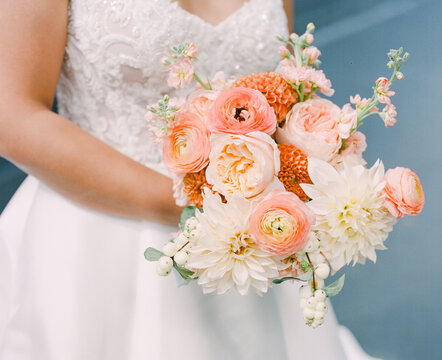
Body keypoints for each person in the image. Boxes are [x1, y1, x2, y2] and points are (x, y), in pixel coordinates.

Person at [0, 0, 378, 358]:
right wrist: (201, 207)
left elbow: (280, 90)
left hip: (246, 244)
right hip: (97, 237)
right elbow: (12, 114)